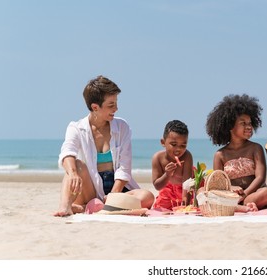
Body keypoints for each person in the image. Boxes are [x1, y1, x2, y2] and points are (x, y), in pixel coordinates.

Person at [54, 75, 154, 217]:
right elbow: (67, 152)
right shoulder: (76, 128)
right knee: (75, 165)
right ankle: (65, 207)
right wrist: (74, 173)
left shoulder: (122, 127)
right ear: (95, 107)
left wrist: (114, 194)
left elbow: (124, 167)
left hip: (117, 187)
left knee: (147, 196)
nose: (116, 108)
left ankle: (92, 208)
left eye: (116, 103)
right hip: (91, 189)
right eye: (111, 105)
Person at [206, 94, 267, 212]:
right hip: (231, 197)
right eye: (243, 123)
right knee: (204, 191)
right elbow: (218, 184)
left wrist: (244, 194)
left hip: (253, 194)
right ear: (230, 126)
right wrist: (232, 188)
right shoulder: (220, 155)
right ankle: (242, 206)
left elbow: (261, 178)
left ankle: (240, 206)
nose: (248, 127)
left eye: (250, 123)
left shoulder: (255, 148)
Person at [151, 120, 193, 210]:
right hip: (167, 192)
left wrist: (185, 201)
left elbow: (187, 184)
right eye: (173, 144)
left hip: (186, 191)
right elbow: (157, 186)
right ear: (163, 142)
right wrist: (167, 174)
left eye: (183, 146)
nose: (178, 149)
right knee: (160, 210)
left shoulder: (187, 156)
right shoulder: (158, 158)